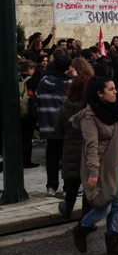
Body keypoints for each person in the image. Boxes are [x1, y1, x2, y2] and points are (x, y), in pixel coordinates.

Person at [71, 77, 118, 255]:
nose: (115, 92)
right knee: (105, 206)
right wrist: (93, 173)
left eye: (115, 88)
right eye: (110, 89)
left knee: (117, 203)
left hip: (117, 163)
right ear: (99, 93)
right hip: (100, 166)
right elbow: (91, 146)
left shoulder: (114, 110)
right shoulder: (89, 116)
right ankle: (82, 227)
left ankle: (112, 241)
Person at [37, 51, 74, 196]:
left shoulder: (42, 82)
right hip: (64, 126)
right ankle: (67, 188)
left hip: (47, 125)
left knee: (51, 158)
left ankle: (51, 187)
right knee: (67, 158)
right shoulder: (69, 83)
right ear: (67, 67)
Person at [55, 76, 91, 219]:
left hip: (70, 149)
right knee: (88, 185)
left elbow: (57, 130)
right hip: (88, 148)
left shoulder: (65, 107)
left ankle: (67, 209)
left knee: (71, 183)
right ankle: (87, 217)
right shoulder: (90, 107)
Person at [19, 60, 39, 168]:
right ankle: (27, 161)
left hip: (17, 112)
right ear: (29, 69)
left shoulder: (16, 79)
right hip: (29, 114)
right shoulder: (33, 81)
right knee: (27, 138)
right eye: (33, 69)